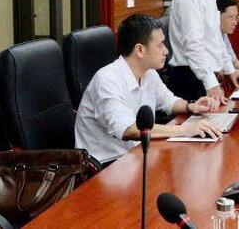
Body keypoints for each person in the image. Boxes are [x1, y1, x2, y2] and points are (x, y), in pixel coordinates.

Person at [75, 14, 223, 165]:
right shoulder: (107, 80)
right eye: (160, 45)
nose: (166, 51)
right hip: (107, 164)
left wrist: (191, 106)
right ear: (140, 49)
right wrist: (186, 129)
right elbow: (128, 129)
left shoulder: (149, 73)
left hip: (137, 154)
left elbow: (169, 102)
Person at [167, 0, 239, 102]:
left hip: (204, 76)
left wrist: (229, 69)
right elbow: (193, 45)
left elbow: (215, 38)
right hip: (191, 78)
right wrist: (210, 83)